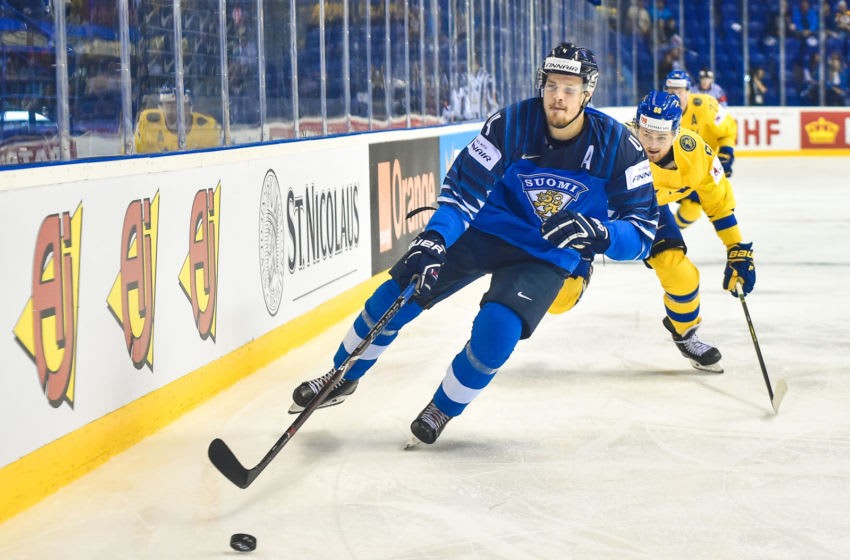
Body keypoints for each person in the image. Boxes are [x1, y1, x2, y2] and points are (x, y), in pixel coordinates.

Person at [289, 43, 659, 445]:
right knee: (399, 290)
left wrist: (601, 233)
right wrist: (435, 239)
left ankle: (442, 408)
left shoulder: (619, 147)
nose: (558, 96)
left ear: (588, 93)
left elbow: (641, 235)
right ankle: (342, 375)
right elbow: (463, 191)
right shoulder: (511, 124)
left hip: (546, 253)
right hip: (486, 229)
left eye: (570, 89)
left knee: (497, 329)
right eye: (552, 85)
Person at [624, 90, 756, 371]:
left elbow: (718, 204)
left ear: (676, 132)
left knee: (682, 275)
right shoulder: (613, 143)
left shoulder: (696, 153)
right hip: (597, 211)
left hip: (649, 208)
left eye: (661, 137)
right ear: (636, 127)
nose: (652, 144)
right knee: (563, 296)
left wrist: (736, 248)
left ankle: (684, 333)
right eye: (646, 134)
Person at [663, 70, 737, 229]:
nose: (675, 96)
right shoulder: (656, 111)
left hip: (701, 169)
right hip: (672, 170)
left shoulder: (707, 105)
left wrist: (726, 153)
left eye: (679, 91)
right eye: (670, 92)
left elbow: (727, 130)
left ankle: (666, 235)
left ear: (689, 92)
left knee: (692, 211)